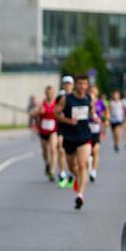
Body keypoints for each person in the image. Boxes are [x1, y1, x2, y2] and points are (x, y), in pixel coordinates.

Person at [55, 74, 93, 210]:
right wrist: (68, 121)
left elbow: (92, 112)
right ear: (75, 85)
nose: (82, 86)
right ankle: (78, 178)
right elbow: (56, 113)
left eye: (84, 84)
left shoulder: (89, 98)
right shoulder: (66, 99)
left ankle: (80, 195)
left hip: (84, 136)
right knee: (72, 166)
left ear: (87, 85)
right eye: (80, 83)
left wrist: (96, 117)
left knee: (82, 164)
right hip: (70, 136)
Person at [32, 85, 58, 181]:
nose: (49, 94)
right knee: (45, 151)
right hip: (43, 131)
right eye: (48, 93)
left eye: (51, 93)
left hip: (53, 130)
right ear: (45, 93)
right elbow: (32, 113)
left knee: (53, 149)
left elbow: (60, 114)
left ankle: (52, 171)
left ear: (53, 93)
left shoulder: (56, 103)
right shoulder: (41, 104)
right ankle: (47, 163)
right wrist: (38, 112)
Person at [56, 76, 74, 188]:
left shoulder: (75, 97)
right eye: (65, 83)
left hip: (73, 128)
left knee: (72, 154)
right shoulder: (59, 97)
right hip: (62, 126)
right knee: (61, 149)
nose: (67, 85)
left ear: (72, 85)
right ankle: (62, 174)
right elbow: (55, 111)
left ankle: (71, 174)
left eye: (69, 84)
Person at [88, 86, 108, 183]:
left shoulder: (100, 102)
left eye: (94, 90)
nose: (92, 92)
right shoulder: (86, 101)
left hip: (96, 129)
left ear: (97, 92)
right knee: (88, 152)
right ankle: (89, 164)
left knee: (95, 151)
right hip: (86, 129)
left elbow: (106, 112)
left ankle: (93, 171)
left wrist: (106, 120)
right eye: (91, 90)